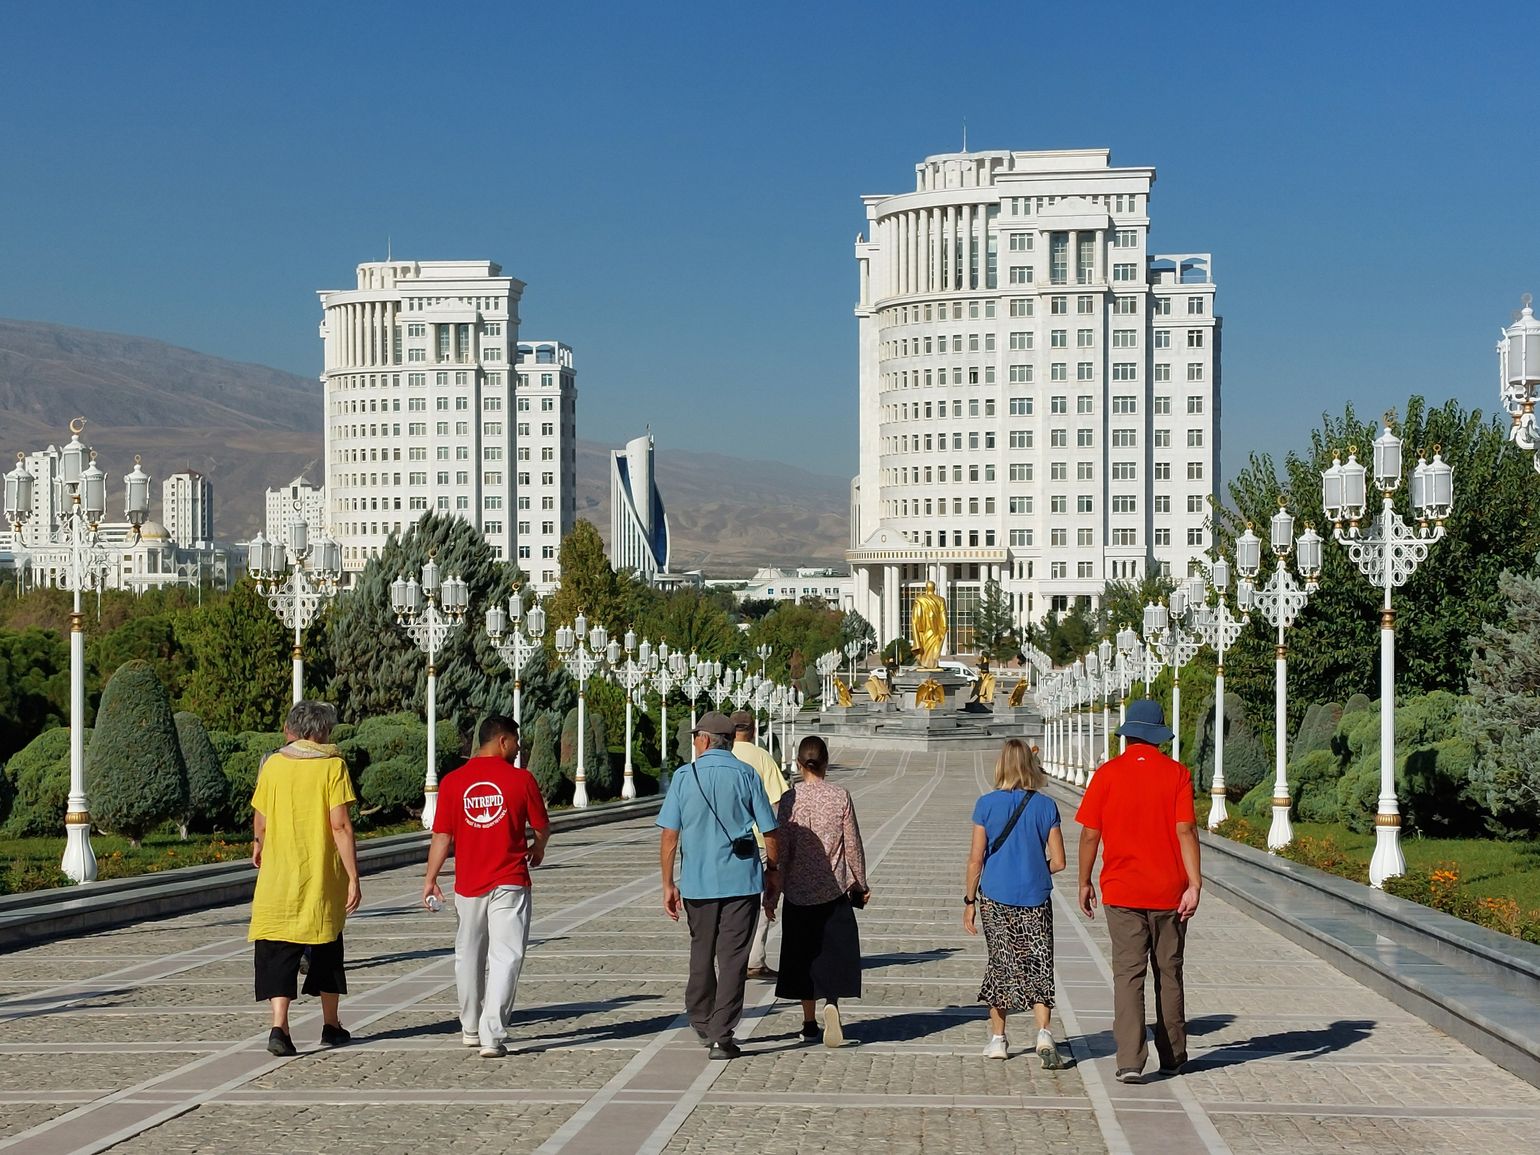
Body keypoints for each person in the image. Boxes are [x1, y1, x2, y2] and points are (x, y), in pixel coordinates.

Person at [1076, 699, 1202, 1084]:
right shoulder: (1177, 775)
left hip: (1122, 890)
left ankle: (1129, 1060)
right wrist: (1195, 883)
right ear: (1159, 736)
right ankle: (1173, 1055)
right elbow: (1186, 831)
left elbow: (1089, 834)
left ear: (1127, 734)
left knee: (1128, 975)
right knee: (1169, 972)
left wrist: (1083, 880)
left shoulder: (1107, 774)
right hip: (1169, 891)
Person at [423, 715, 550, 1059]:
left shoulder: (453, 782)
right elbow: (541, 826)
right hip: (510, 880)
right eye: (516, 741)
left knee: (468, 954)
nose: (519, 748)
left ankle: (469, 1026)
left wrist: (431, 878)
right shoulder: (521, 780)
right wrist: (538, 849)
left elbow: (441, 836)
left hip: (468, 882)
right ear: (502, 741)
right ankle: (491, 1034)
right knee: (506, 956)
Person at [657, 711, 780, 1060]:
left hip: (697, 883)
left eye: (696, 736)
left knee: (702, 952)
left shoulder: (684, 777)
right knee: (733, 960)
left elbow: (669, 837)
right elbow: (770, 830)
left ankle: (700, 1018)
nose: (694, 742)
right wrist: (774, 870)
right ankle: (722, 1034)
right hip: (742, 882)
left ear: (706, 740)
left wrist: (667, 883)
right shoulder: (747, 775)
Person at [248, 700, 361, 1058]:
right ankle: (331, 1023)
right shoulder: (332, 767)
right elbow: (340, 824)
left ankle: (279, 1026)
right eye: (327, 729)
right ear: (318, 731)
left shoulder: (273, 765)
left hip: (278, 877)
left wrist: (258, 845)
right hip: (319, 875)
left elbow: (261, 820)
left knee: (277, 949)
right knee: (327, 945)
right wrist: (354, 876)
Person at [963, 738, 1065, 1065]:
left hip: (995, 896)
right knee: (1039, 962)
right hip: (1035, 896)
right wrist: (1036, 867)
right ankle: (1044, 1033)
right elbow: (1060, 861)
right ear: (1030, 766)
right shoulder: (1046, 806)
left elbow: (975, 860)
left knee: (1001, 964)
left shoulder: (986, 804)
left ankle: (998, 1039)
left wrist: (968, 901)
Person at [771, 735, 869, 1048]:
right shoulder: (840, 796)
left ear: (799, 765)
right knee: (834, 952)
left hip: (798, 892)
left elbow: (782, 850)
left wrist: (772, 892)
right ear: (825, 763)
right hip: (833, 890)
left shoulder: (789, 799)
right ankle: (832, 1004)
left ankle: (809, 1022)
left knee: (802, 956)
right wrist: (861, 883)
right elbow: (852, 844)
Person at [731, 710, 789, 981]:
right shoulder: (762, 757)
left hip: (727, 843)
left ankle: (731, 958)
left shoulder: (720, 756)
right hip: (759, 841)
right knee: (764, 897)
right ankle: (754, 959)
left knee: (734, 901)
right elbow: (778, 802)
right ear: (753, 731)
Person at [910, 580, 947, 669]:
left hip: (923, 632)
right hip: (936, 632)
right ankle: (932, 664)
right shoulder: (940, 600)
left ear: (926, 588)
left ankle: (925, 664)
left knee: (924, 649)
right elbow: (944, 618)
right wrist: (943, 630)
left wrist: (918, 629)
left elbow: (916, 616)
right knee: (934, 649)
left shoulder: (920, 600)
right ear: (934, 588)